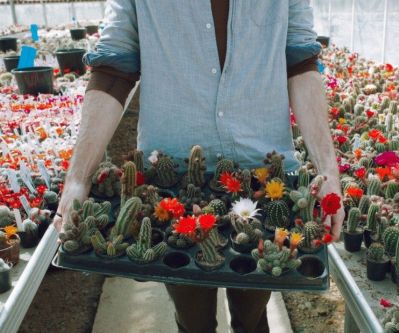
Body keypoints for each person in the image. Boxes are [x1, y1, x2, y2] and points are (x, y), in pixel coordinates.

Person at [53, 1, 345, 332]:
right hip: (173, 183)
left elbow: (302, 64)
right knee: (192, 317)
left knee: (252, 311)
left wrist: (328, 173)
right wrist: (77, 179)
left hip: (262, 180)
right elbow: (112, 70)